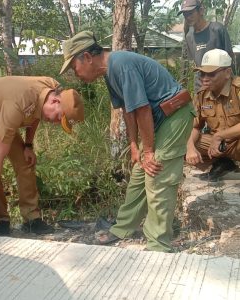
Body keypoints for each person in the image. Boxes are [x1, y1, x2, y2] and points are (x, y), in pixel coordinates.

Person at [60, 31, 196, 252]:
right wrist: (135, 146)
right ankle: (124, 227)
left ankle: (158, 244)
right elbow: (128, 111)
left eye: (73, 67)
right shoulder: (109, 73)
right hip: (156, 120)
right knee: (139, 173)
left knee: (156, 174)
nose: (75, 74)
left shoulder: (121, 64)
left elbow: (142, 108)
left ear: (86, 57)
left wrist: (149, 151)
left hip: (175, 115)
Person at [0, 76, 84, 235]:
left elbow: (37, 113)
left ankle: (32, 219)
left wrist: (28, 145)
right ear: (55, 102)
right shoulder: (18, 103)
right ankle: (1, 219)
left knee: (25, 162)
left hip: (0, 118)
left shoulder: (53, 89)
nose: (56, 122)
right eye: (59, 118)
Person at [186, 49, 239, 181]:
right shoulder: (202, 95)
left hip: (236, 142)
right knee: (181, 142)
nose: (204, 79)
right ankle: (223, 164)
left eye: (211, 74)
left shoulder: (237, 90)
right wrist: (190, 147)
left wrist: (220, 135)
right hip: (219, 146)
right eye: (202, 74)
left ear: (227, 73)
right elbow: (195, 126)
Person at [178, 0, 234, 91]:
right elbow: (196, 63)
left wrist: (231, 83)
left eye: (191, 13)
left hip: (221, 84)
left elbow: (230, 59)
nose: (188, 17)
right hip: (201, 85)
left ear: (201, 11)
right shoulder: (189, 36)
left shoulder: (217, 29)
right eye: (185, 15)